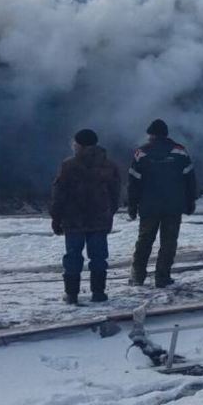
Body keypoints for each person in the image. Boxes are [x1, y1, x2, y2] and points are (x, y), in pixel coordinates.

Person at [49, 128, 122, 305]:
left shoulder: (69, 165)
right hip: (99, 220)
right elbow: (116, 193)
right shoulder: (109, 165)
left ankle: (72, 294)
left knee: (73, 257)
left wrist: (56, 217)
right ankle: (98, 293)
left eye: (75, 143)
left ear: (80, 145)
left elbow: (59, 194)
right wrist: (109, 212)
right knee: (98, 257)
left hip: (74, 220)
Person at [127, 119, 198, 288]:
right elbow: (190, 179)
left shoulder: (141, 153)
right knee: (169, 241)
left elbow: (133, 182)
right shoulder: (180, 152)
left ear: (150, 134)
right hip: (173, 205)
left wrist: (132, 205)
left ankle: (138, 276)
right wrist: (190, 201)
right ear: (166, 134)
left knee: (144, 240)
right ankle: (162, 276)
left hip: (148, 205)